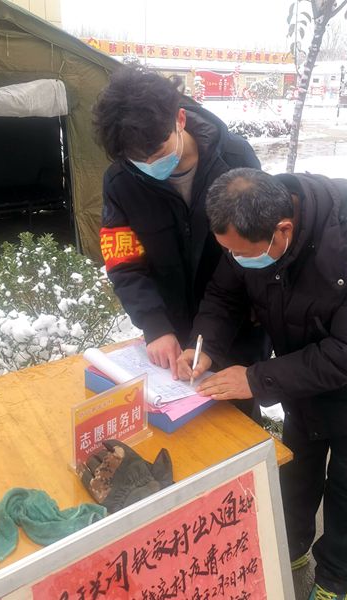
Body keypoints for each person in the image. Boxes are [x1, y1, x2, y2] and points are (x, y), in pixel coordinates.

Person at [176, 168, 347, 600]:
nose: (236, 260)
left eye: (242, 254)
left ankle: (335, 579)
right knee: (297, 474)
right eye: (229, 252)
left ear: (283, 230)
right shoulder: (247, 231)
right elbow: (224, 295)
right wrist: (204, 345)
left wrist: (255, 379)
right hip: (301, 381)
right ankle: (290, 548)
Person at [93, 67, 268, 412]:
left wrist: (216, 334)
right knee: (177, 426)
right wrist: (155, 326)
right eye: (137, 159)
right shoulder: (121, 182)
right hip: (170, 335)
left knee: (236, 425)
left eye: (158, 151)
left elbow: (251, 247)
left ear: (180, 119)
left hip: (236, 328)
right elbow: (123, 261)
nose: (150, 164)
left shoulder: (235, 160)